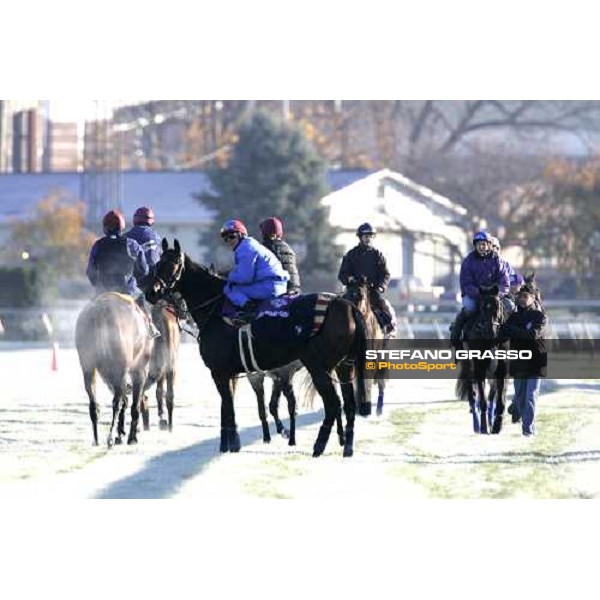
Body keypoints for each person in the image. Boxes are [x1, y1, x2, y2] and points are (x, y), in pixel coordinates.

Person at [86, 209, 159, 338]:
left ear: (105, 228)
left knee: (87, 314)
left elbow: (90, 271)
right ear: (121, 227)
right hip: (128, 292)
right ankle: (150, 327)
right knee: (142, 302)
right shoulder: (131, 244)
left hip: (103, 291)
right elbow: (143, 269)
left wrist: (97, 284)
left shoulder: (98, 245)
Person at [497, 280, 548, 436]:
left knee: (530, 396)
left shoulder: (540, 317)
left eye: (525, 296)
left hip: (536, 362)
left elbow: (532, 335)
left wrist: (512, 330)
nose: (522, 299)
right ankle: (517, 408)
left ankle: (528, 431)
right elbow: (502, 335)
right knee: (519, 399)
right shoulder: (513, 317)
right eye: (519, 296)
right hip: (519, 362)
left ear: (533, 298)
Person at [221, 219, 289, 319]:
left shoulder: (245, 249)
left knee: (229, 288)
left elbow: (245, 278)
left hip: (269, 287)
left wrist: (228, 275)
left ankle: (248, 310)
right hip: (275, 284)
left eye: (232, 236)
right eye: (225, 238)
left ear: (241, 235)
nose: (229, 240)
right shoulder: (250, 245)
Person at [450, 230, 511, 343]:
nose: (481, 247)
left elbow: (504, 281)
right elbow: (466, 283)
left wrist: (499, 293)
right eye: (479, 245)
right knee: (470, 309)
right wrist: (478, 293)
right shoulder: (468, 261)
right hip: (475, 294)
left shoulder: (498, 260)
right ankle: (456, 335)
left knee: (510, 306)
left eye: (484, 244)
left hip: (494, 295)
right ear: (475, 246)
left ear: (489, 245)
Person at [338, 222, 395, 334]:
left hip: (372, 291)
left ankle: (386, 329)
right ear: (360, 237)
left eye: (370, 236)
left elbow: (386, 274)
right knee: (339, 309)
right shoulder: (351, 254)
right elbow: (342, 274)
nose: (368, 239)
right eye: (365, 236)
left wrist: (381, 287)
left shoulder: (377, 254)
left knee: (384, 309)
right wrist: (350, 279)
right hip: (354, 291)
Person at [259, 217, 301, 294]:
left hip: (280, 292)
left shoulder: (264, 249)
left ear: (264, 233)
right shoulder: (288, 248)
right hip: (295, 290)